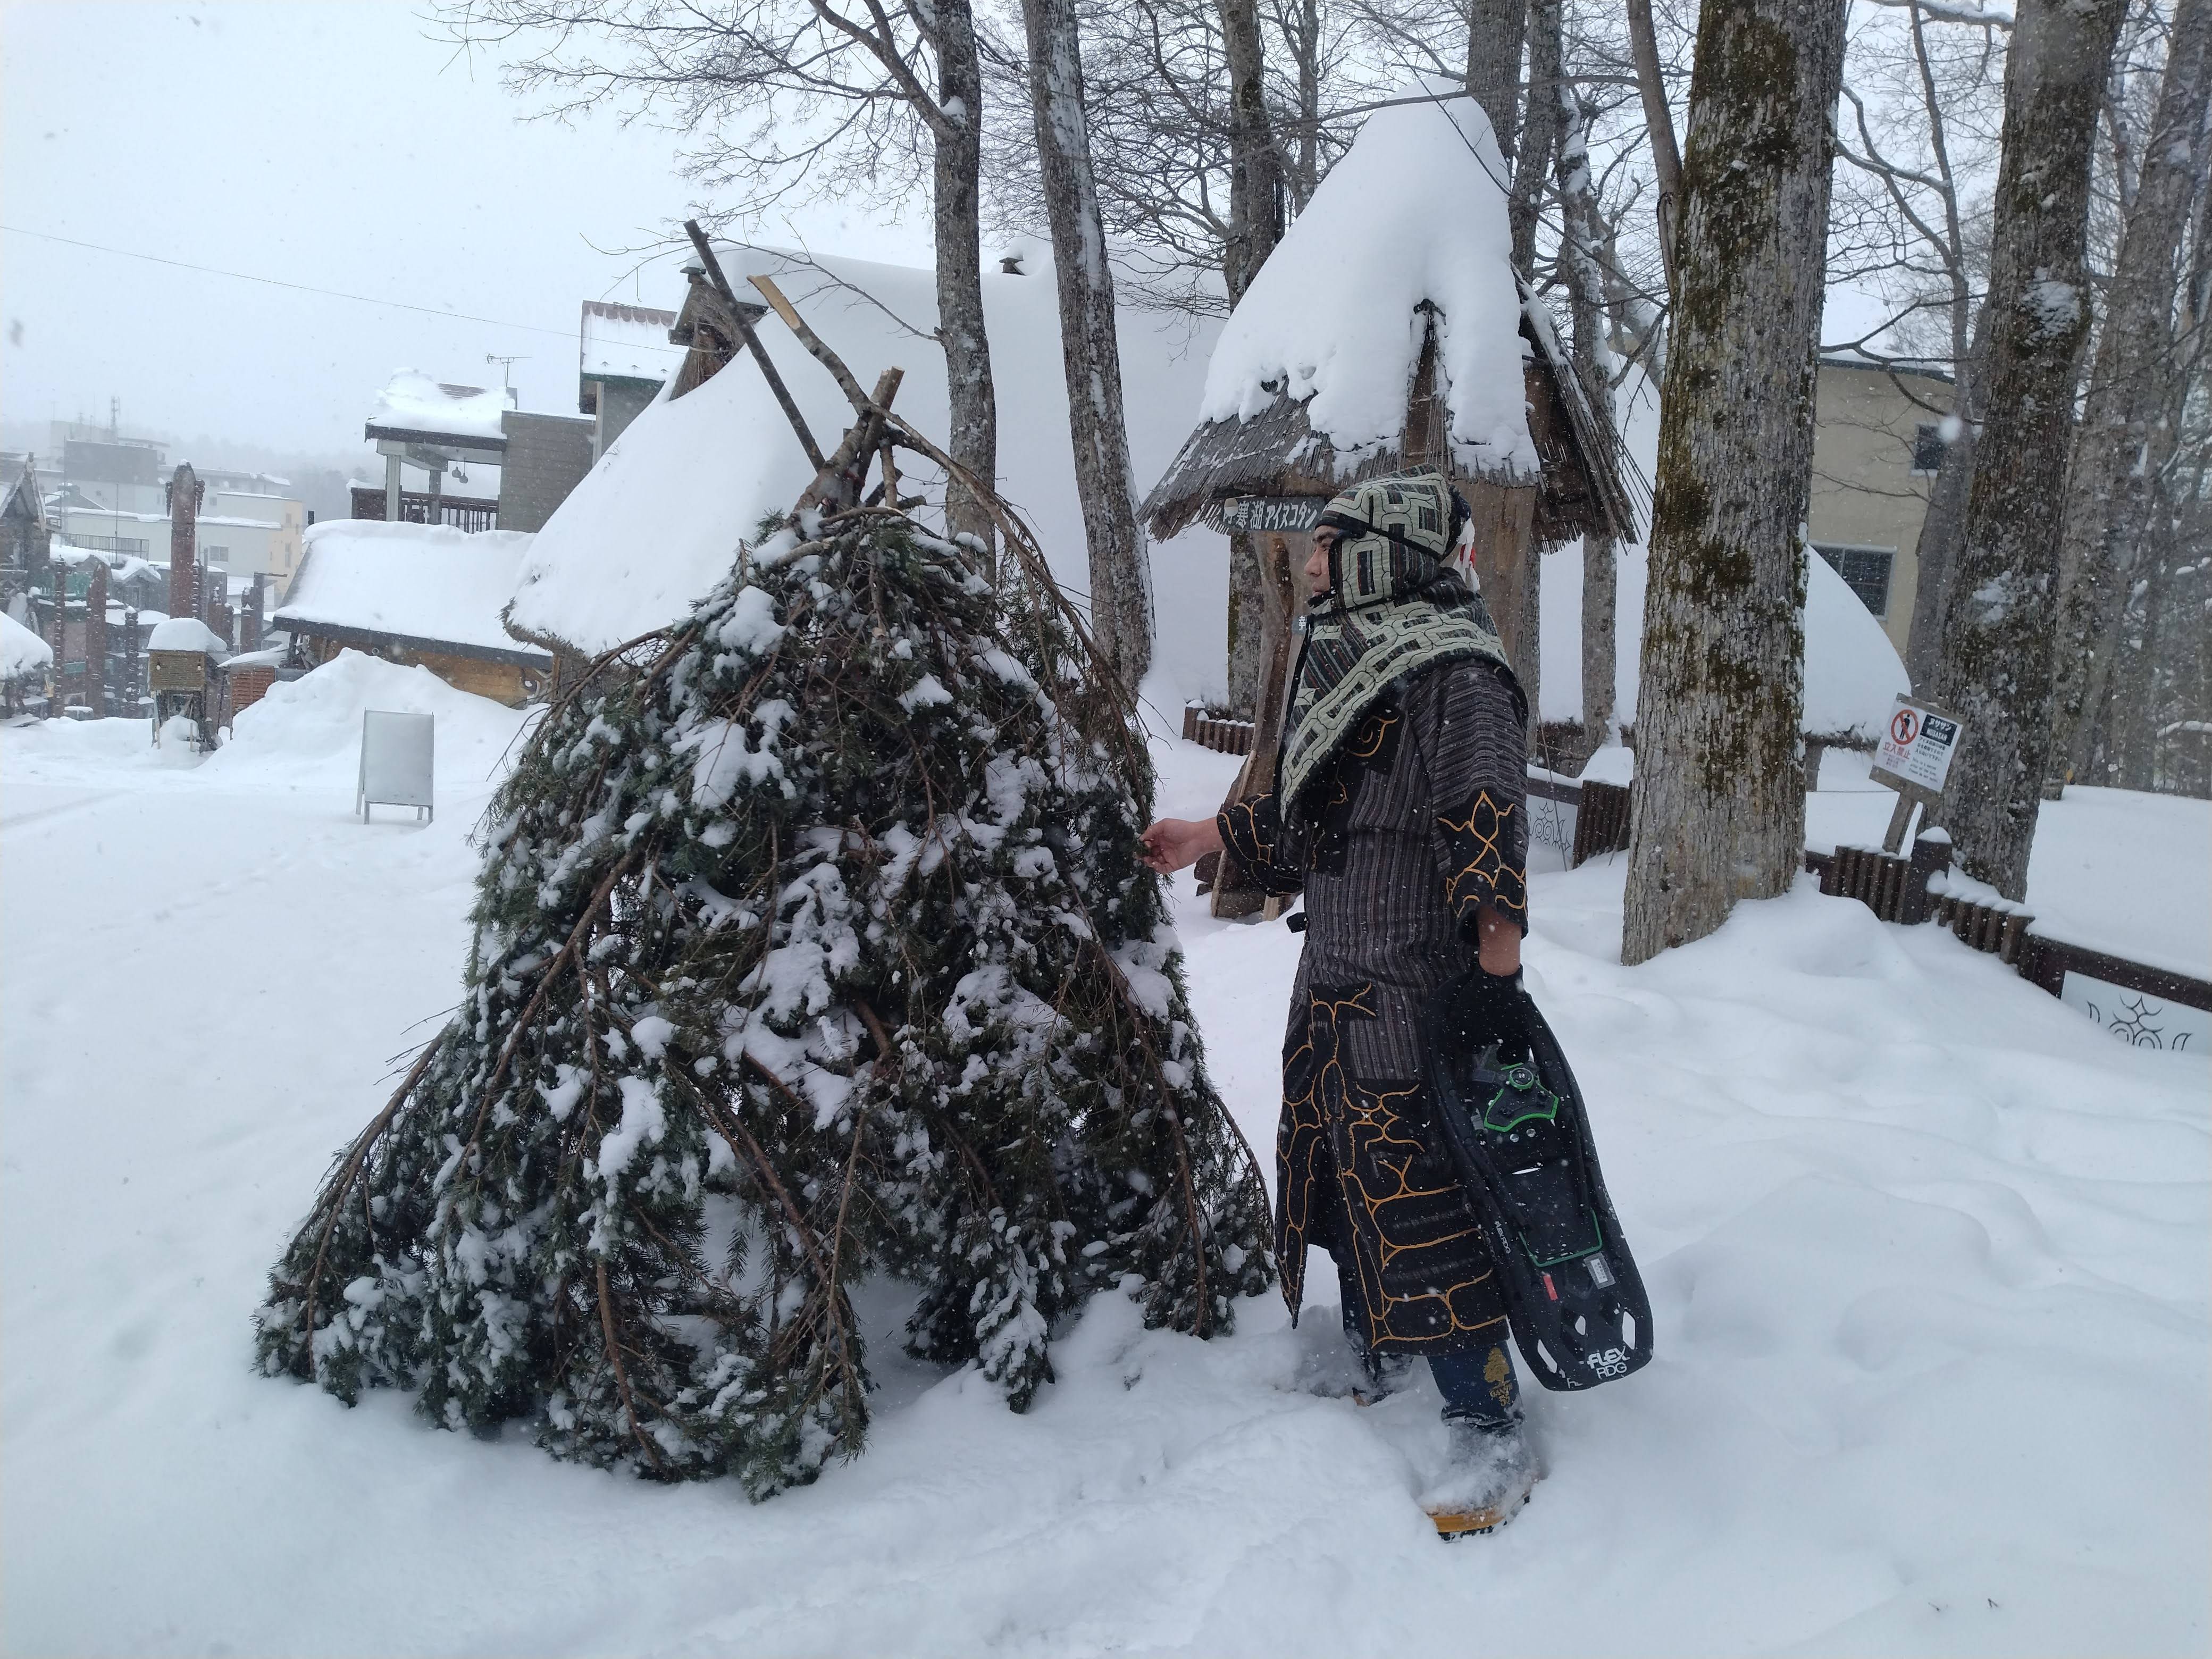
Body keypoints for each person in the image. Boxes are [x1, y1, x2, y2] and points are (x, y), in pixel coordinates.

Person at [1140, 470, 1540, 1536]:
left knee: (1422, 1197)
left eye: (1330, 544)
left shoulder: (1458, 676)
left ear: (1387, 552)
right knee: (1337, 1175)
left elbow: (1488, 845)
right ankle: (1376, 1346)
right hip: (1334, 987)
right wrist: (1203, 834)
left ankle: (1486, 1421)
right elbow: (1317, 825)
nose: (1312, 563)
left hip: (1417, 998)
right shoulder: (1359, 663)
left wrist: (1493, 1012)